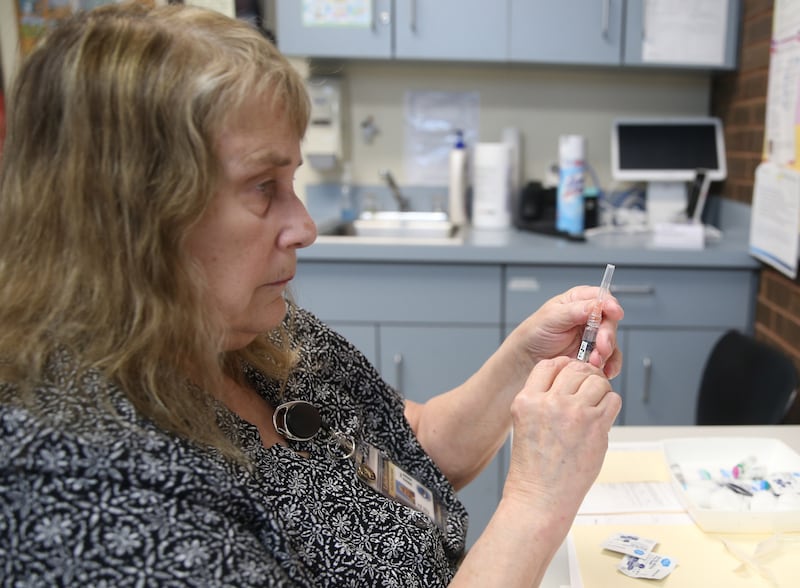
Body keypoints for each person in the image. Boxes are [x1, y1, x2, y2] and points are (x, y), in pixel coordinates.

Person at [0, 3, 624, 586]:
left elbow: (411, 455)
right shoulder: (85, 486)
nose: (305, 227)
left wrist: (525, 363)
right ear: (130, 210)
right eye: (263, 186)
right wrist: (538, 500)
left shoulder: (255, 337)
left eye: (291, 180)